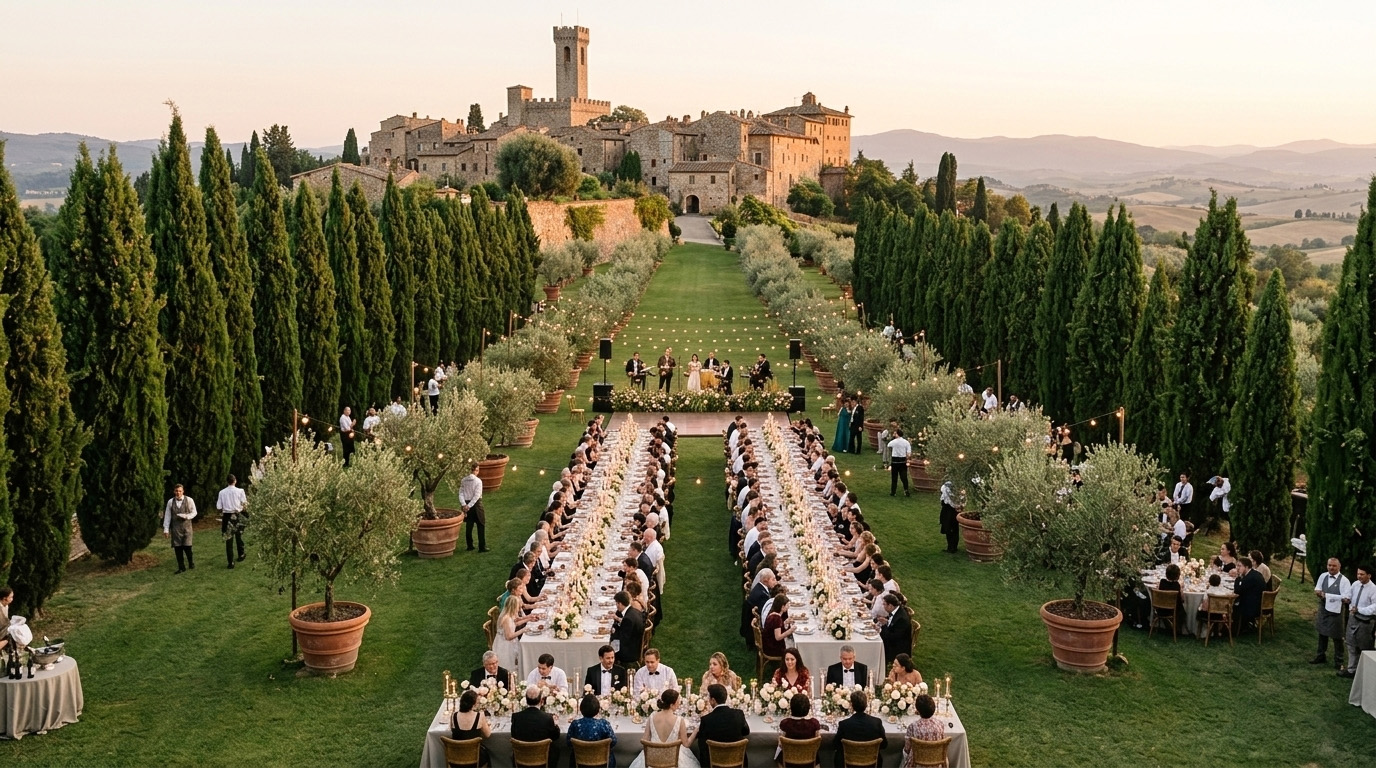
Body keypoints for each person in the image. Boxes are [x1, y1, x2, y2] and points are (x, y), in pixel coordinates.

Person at [629, 688, 699, 768]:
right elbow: (686, 744)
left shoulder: (652, 716)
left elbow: (644, 740)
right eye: (677, 702)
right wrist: (695, 731)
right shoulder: (680, 720)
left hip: (653, 759)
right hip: (673, 760)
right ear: (671, 705)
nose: (679, 704)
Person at [696, 684, 749, 766]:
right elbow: (746, 731)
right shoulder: (738, 714)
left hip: (714, 765)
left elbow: (702, 748)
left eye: (709, 698)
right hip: (737, 764)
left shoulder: (706, 720)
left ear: (713, 700)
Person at [832, 690, 886, 768]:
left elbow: (835, 744)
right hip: (871, 764)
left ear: (852, 706)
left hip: (849, 764)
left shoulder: (844, 724)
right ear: (866, 704)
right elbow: (884, 745)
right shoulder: (877, 722)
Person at [1312, 557, 1350, 668]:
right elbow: (1317, 589)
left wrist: (1328, 596)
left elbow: (1346, 598)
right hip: (1323, 608)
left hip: (1336, 611)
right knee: (1322, 632)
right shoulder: (1323, 576)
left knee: (1337, 636)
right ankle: (1320, 655)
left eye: (1334, 566)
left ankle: (1339, 661)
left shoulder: (1344, 581)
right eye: (1329, 565)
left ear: (1339, 567)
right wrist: (1319, 593)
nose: (1331, 568)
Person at [511, 685, 561, 768]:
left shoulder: (516, 716)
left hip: (522, 759)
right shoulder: (548, 718)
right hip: (543, 760)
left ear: (526, 700)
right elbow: (555, 737)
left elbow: (514, 735)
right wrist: (555, 725)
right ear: (541, 701)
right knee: (556, 749)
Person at [1340, 564, 1376, 678]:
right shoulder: (1355, 584)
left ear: (1369, 575)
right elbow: (1350, 595)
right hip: (1353, 618)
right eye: (1358, 573)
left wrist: (1360, 609)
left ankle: (1365, 673)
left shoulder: (1374, 589)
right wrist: (1347, 599)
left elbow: (1374, 607)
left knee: (1364, 647)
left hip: (1365, 621)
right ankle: (1351, 670)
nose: (1359, 576)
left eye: (1362, 574)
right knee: (1350, 644)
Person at [569, 695, 618, 766]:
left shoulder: (575, 724)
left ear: (581, 708)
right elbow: (613, 741)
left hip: (579, 763)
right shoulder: (604, 724)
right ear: (597, 710)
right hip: (603, 764)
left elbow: (569, 743)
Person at [900, 695, 945, 767]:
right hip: (936, 763)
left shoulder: (913, 726)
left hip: (916, 764)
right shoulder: (940, 724)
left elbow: (907, 749)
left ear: (918, 711)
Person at [450, 690, 493, 766]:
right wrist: (488, 725)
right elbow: (488, 734)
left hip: (456, 756)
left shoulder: (454, 715)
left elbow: (452, 730)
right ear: (473, 704)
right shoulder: (479, 716)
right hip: (476, 758)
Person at [776, 693, 822, 764]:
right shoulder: (814, 723)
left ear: (791, 708)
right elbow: (817, 744)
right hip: (809, 762)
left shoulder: (785, 724)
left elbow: (780, 744)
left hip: (788, 762)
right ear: (808, 708)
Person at [215, 474, 249, 569]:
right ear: (235, 481)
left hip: (227, 516)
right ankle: (241, 554)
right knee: (239, 536)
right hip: (238, 515)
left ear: (227, 482)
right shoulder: (240, 491)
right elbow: (245, 504)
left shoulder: (222, 492)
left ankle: (231, 562)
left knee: (229, 540)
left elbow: (218, 507)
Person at [163, 483, 197, 573]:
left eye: (180, 491)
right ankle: (181, 567)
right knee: (177, 548)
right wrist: (166, 529)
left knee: (187, 547)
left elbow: (194, 512)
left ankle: (191, 562)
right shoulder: (170, 502)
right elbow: (167, 516)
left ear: (183, 491)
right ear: (174, 491)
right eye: (176, 491)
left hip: (187, 527)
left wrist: (187, 516)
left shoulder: (189, 500)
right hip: (176, 528)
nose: (178, 493)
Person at [1232, 557, 1266, 633]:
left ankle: (1234, 629)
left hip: (1252, 608)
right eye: (1237, 565)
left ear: (1247, 567)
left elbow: (1237, 591)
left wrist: (1238, 577)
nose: (1237, 568)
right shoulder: (1254, 574)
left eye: (1239, 566)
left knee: (1231, 605)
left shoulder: (1250, 578)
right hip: (1258, 603)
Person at [493, 596, 526, 676]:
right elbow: (509, 637)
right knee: (509, 666)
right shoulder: (506, 618)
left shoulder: (509, 614)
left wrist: (528, 619)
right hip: (505, 645)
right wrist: (523, 630)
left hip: (510, 642)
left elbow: (515, 623)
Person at [612, 591, 646, 667]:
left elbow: (623, 639)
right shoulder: (634, 611)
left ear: (620, 604)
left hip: (630, 651)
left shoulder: (628, 619)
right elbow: (627, 627)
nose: (616, 606)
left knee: (608, 647)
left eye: (617, 603)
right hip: (635, 643)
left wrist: (613, 633)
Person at [878, 593, 911, 664]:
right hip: (894, 640)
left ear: (890, 605)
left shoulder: (901, 619)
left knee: (876, 647)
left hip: (897, 647)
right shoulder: (897, 610)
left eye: (884, 604)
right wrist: (887, 622)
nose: (883, 606)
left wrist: (882, 628)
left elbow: (893, 637)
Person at [459, 465, 486, 552]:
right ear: (476, 470)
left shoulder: (463, 480)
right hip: (477, 505)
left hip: (466, 503)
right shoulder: (478, 481)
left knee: (469, 525)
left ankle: (469, 545)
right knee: (481, 524)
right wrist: (469, 505)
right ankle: (482, 547)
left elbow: (461, 493)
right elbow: (477, 496)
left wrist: (464, 504)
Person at [888, 429, 912, 497]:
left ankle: (893, 492)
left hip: (895, 460)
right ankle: (906, 490)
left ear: (897, 434)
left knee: (894, 477)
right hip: (902, 461)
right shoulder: (906, 442)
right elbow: (909, 453)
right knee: (904, 477)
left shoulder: (894, 442)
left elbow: (888, 445)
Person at [939, 481, 960, 554]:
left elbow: (944, 502)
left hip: (948, 513)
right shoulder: (955, 492)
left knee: (949, 529)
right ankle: (954, 547)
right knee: (955, 529)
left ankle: (951, 548)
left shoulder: (946, 491)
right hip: (954, 512)